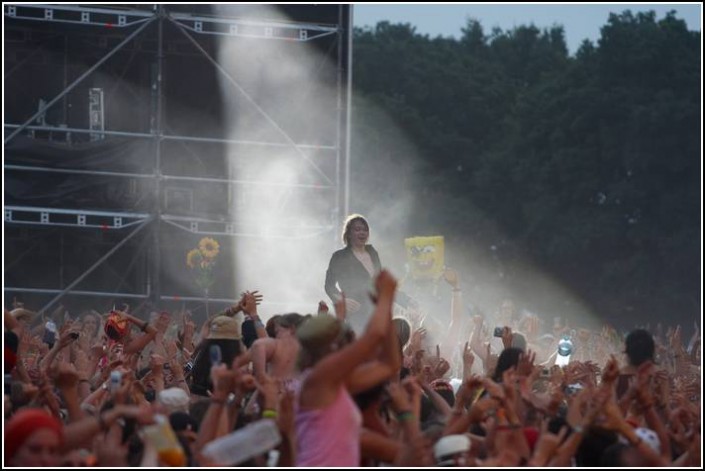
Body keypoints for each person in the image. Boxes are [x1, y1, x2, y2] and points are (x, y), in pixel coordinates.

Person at [324, 214, 381, 331]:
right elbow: (329, 286)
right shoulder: (339, 256)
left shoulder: (372, 252)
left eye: (365, 230)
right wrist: (340, 300)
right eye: (357, 229)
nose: (362, 233)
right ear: (348, 233)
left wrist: (406, 301)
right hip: (355, 314)